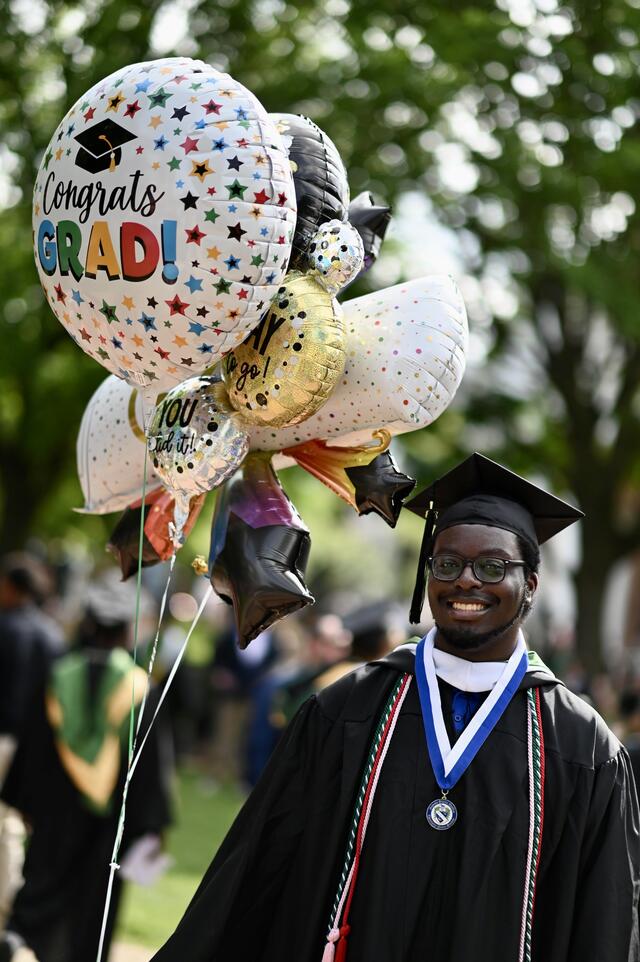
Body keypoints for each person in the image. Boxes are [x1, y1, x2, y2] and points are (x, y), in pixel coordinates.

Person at [150, 453, 640, 962]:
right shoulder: (349, 709)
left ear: (531, 585)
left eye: (492, 566)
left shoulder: (581, 749)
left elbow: (605, 924)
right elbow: (257, 873)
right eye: (447, 564)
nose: (466, 581)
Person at [1, 579, 173, 962]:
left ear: (88, 626)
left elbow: (31, 750)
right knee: (94, 907)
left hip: (53, 813)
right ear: (126, 633)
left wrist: (23, 801)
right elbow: (150, 767)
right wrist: (150, 826)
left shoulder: (58, 677)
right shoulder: (138, 688)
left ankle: (21, 946)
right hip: (109, 824)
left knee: (41, 894)